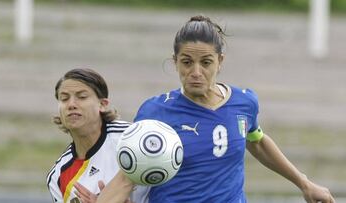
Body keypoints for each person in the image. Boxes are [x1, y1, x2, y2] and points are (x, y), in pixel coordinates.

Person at [131, 15, 335, 203]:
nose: (196, 72)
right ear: (175, 62)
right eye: (187, 62)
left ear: (220, 61)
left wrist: (305, 184)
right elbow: (128, 172)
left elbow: (257, 141)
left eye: (206, 62)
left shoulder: (244, 103)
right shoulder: (155, 112)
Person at [46, 68, 149, 203]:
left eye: (82, 97)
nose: (71, 104)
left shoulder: (134, 138)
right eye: (64, 99)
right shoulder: (58, 175)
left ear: (102, 104)